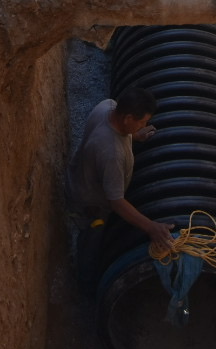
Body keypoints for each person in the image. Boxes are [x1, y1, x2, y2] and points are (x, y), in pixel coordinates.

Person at [69, 86, 173, 285]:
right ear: (128, 118)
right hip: (91, 207)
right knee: (91, 241)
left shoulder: (107, 106)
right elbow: (116, 202)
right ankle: (85, 285)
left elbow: (112, 132)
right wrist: (151, 227)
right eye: (142, 121)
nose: (145, 124)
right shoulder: (112, 154)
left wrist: (135, 135)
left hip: (80, 178)